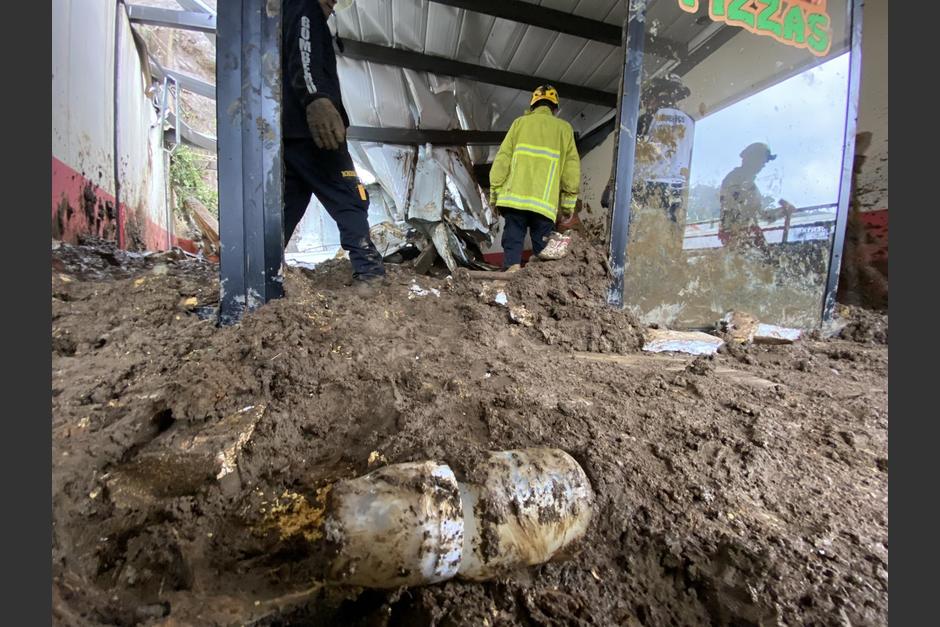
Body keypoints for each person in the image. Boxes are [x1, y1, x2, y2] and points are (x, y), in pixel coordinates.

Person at [282, 0, 385, 283]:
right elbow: (304, 56)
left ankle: (263, 269)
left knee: (287, 204)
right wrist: (317, 99)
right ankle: (369, 270)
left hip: (289, 135)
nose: (334, 2)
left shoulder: (282, 14)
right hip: (316, 134)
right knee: (350, 196)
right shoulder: (305, 8)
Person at [489, 85, 581, 270]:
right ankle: (540, 287)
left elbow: (501, 160)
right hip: (544, 204)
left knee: (513, 240)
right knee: (543, 249)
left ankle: (509, 279)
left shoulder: (519, 124)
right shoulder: (564, 129)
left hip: (514, 200)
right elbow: (571, 172)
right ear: (555, 109)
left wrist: (494, 194)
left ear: (532, 106)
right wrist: (567, 205)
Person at [633, 74, 695, 225]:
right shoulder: (690, 121)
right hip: (676, 186)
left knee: (640, 227)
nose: (647, 103)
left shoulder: (648, 118)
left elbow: (631, 155)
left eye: (649, 98)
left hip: (649, 184)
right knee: (666, 228)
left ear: (658, 96)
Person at [718, 142, 794, 251]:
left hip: (744, 232)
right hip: (740, 233)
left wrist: (783, 211)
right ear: (752, 159)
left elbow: (758, 214)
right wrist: (783, 211)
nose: (764, 165)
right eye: (763, 160)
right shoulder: (736, 179)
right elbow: (750, 211)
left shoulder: (748, 184)